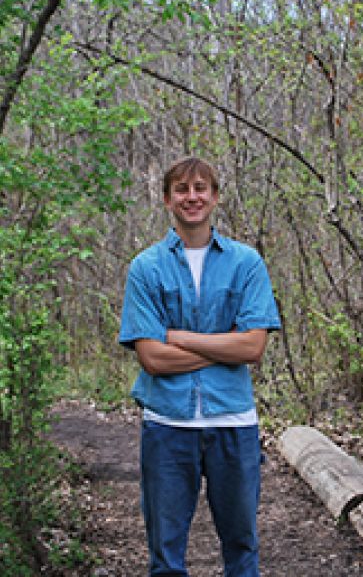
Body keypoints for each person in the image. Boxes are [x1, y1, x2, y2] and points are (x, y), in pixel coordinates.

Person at [119, 157, 281, 577]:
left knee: (242, 547)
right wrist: (226, 344)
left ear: (215, 196)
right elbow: (152, 359)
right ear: (167, 199)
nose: (192, 197)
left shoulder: (246, 263)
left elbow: (254, 346)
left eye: (200, 188)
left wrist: (178, 337)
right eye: (182, 189)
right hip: (167, 424)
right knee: (165, 553)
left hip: (233, 421)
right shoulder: (146, 268)